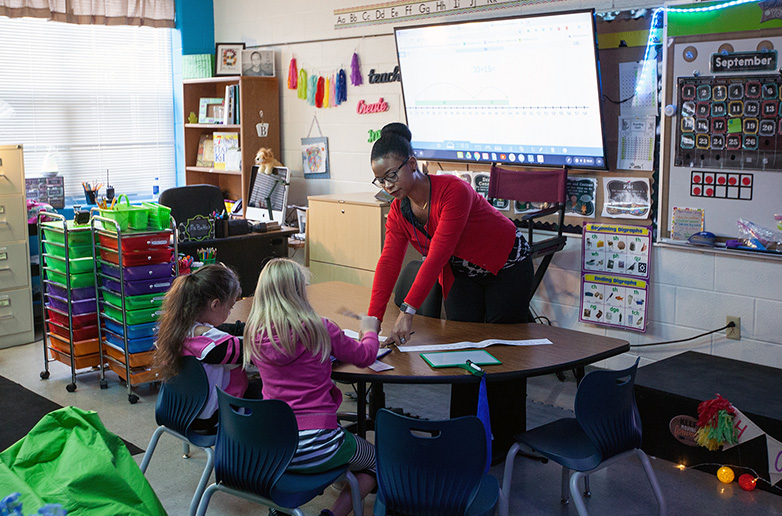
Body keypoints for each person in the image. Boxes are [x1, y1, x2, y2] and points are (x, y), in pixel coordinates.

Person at [367, 122, 534, 345]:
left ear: (412, 164)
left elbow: (438, 255)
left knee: (502, 345)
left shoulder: (453, 191)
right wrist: (372, 321)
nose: (387, 186)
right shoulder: (399, 210)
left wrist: (407, 312)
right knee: (460, 342)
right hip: (462, 272)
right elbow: (388, 262)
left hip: (506, 265)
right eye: (380, 180)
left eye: (391, 176)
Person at [244, 258, 380, 516]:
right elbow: (366, 356)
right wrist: (369, 330)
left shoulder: (253, 333)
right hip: (318, 441)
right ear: (298, 291)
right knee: (375, 463)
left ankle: (281, 509)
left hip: (275, 447)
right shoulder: (320, 328)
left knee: (326, 459)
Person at [154, 264, 252, 433]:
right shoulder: (216, 346)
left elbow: (221, 330)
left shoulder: (176, 328)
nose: (229, 312)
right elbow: (255, 350)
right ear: (215, 305)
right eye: (230, 307)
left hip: (177, 412)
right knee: (264, 390)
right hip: (213, 419)